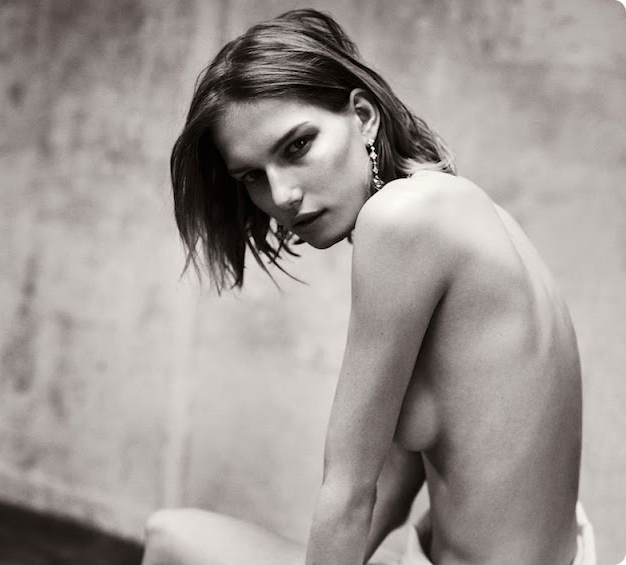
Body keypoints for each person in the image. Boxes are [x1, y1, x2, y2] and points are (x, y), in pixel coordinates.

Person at [142, 8, 596, 565]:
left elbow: (349, 491)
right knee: (181, 537)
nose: (281, 196)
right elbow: (391, 484)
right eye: (252, 176)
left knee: (169, 540)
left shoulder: (401, 219)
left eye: (296, 147)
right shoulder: (463, 210)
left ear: (363, 117)